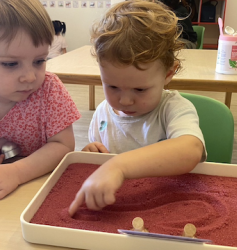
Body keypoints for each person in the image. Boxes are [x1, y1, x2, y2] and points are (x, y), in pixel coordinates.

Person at [69, 0, 206, 216]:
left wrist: (119, 166)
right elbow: (101, 159)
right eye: (112, 86)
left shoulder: (173, 109)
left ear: (169, 73)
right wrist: (92, 155)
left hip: (166, 206)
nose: (124, 101)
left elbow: (191, 151)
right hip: (119, 209)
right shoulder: (103, 113)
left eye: (140, 90)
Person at [0, 0, 81, 199]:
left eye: (39, 61)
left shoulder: (49, 89)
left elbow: (63, 145)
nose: (30, 77)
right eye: (10, 64)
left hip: (37, 188)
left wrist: (17, 172)